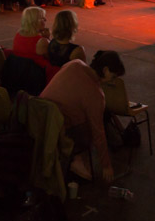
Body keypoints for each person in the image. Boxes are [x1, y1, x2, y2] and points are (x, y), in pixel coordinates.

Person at [39, 50, 124, 183]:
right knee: (93, 126)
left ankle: (78, 158)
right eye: (113, 77)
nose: (112, 81)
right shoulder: (96, 95)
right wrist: (106, 166)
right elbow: (98, 133)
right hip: (58, 129)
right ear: (106, 70)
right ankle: (77, 158)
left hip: (39, 115)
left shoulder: (74, 64)